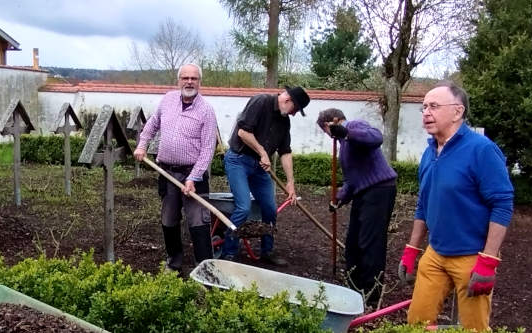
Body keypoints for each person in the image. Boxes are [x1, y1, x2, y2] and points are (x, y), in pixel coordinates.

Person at [400, 82, 514, 331]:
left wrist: (488, 261)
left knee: (473, 329)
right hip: (435, 253)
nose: (426, 112)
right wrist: (412, 249)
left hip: (472, 257)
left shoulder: (481, 150)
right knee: (416, 324)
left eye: (434, 106)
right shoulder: (429, 151)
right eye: (424, 107)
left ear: (457, 111)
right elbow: (423, 202)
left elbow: (503, 204)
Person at [134, 64, 218, 271]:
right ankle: (174, 263)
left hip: (193, 176)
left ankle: (205, 269)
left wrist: (194, 177)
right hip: (167, 171)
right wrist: (142, 145)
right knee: (168, 219)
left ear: (200, 82)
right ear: (178, 80)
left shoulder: (206, 111)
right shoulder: (168, 100)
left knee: (199, 222)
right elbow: (152, 125)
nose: (189, 82)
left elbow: (208, 149)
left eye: (194, 78)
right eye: (185, 78)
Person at [219, 86, 310, 266]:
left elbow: (285, 152)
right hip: (238, 161)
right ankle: (228, 252)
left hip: (260, 168)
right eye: (295, 110)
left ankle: (267, 251)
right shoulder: (261, 101)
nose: (293, 114)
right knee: (244, 208)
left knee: (270, 209)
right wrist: (262, 152)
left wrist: (290, 183)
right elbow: (243, 132)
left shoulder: (284, 122)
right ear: (287, 101)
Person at [319, 108, 398, 306]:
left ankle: (371, 293)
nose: (329, 136)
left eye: (326, 130)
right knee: (353, 243)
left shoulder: (354, 126)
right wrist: (338, 199)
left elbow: (375, 137)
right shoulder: (344, 144)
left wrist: (345, 132)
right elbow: (352, 180)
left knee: (369, 243)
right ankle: (354, 288)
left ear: (333, 122)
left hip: (379, 191)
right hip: (364, 193)